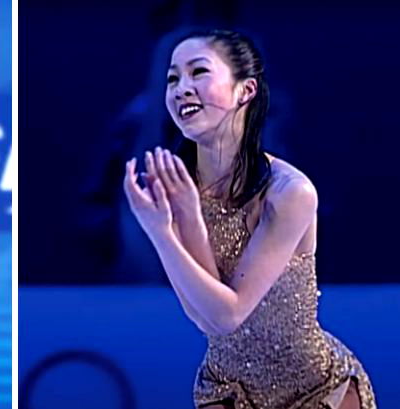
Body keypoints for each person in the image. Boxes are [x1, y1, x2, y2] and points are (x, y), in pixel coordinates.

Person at [123, 29, 375, 409]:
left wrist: (162, 233)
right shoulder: (179, 189)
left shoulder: (289, 193)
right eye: (173, 77)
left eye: (198, 72)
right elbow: (205, 317)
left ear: (246, 90)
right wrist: (179, 221)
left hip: (315, 389)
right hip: (228, 389)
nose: (180, 88)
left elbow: (231, 313)